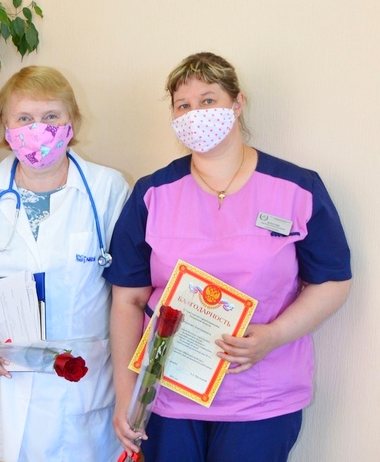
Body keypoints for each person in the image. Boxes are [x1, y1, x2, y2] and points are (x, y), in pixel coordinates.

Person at [104, 52, 352, 461]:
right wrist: (127, 395)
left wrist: (274, 335)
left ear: (237, 103)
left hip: (262, 398)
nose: (195, 114)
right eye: (183, 105)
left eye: (208, 100)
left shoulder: (297, 188)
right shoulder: (152, 194)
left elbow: (332, 281)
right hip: (167, 397)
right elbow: (128, 299)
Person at [0, 66, 128, 461]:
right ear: (5, 126)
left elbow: (128, 294)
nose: (38, 129)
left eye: (51, 116)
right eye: (24, 119)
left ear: (72, 122)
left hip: (79, 388)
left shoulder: (107, 189)